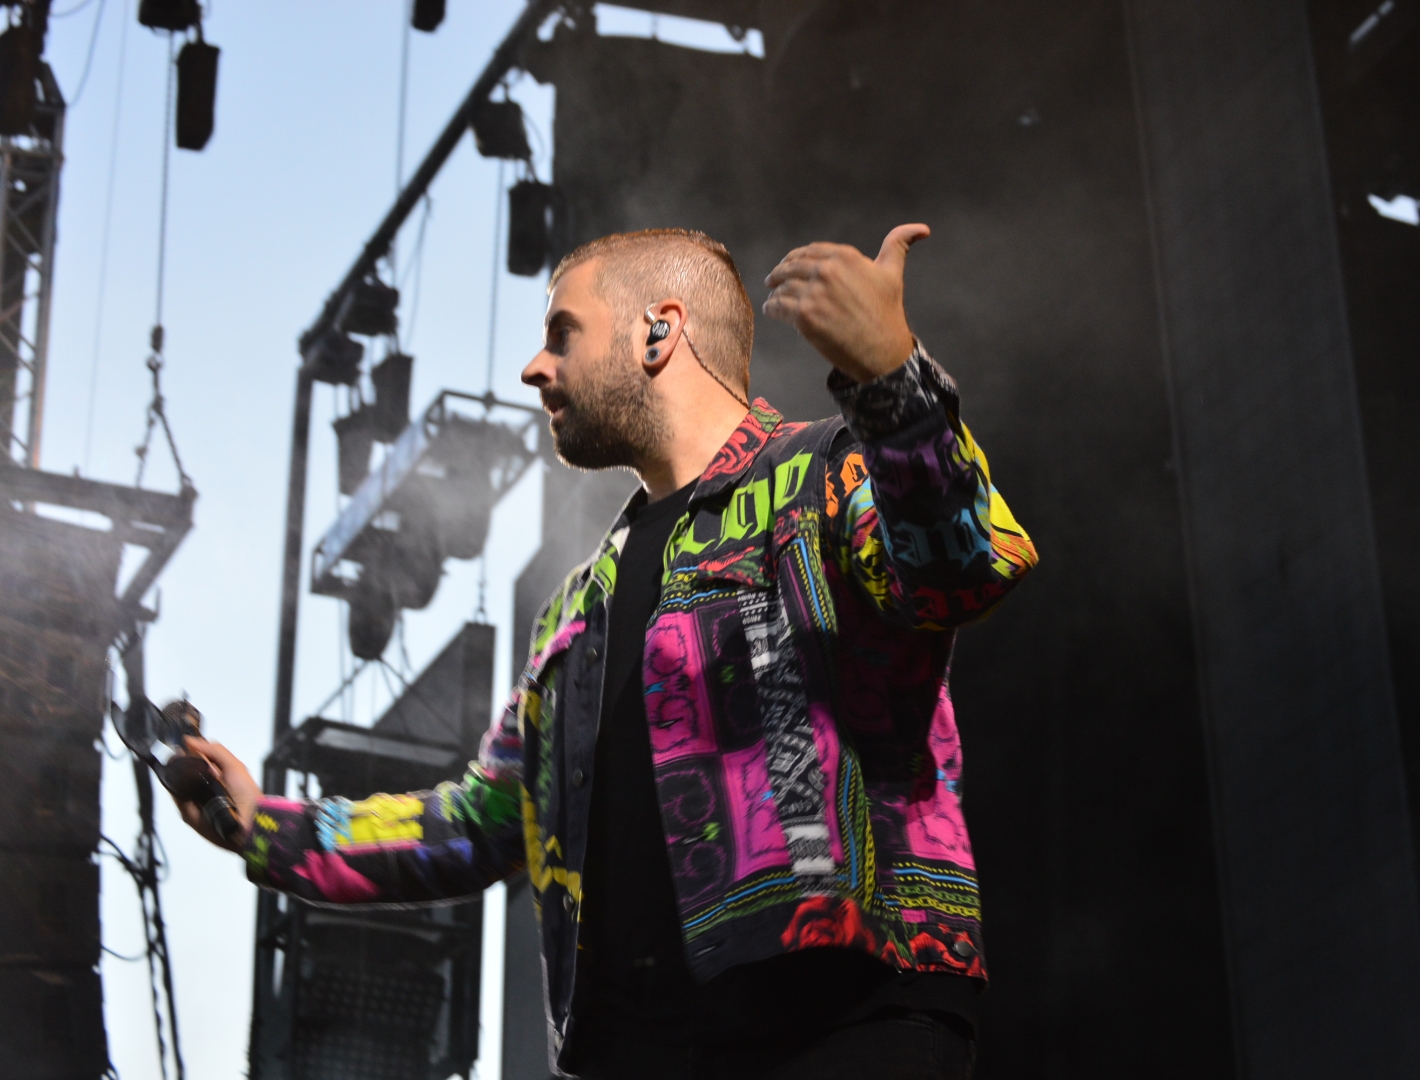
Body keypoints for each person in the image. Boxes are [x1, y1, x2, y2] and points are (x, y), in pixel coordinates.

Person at [179, 224, 1037, 1079]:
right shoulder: (573, 612)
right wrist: (263, 826)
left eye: (562, 334)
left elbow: (963, 567)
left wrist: (894, 380)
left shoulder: (820, 474)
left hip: (842, 1027)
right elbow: (477, 823)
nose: (534, 368)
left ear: (658, 332)